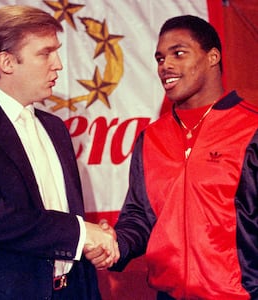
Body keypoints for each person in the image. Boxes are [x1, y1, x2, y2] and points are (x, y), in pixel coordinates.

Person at [86, 15, 258, 299]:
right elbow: (140, 217)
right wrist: (114, 243)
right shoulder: (151, 138)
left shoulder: (250, 129)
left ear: (213, 56)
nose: (165, 65)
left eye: (178, 53)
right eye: (159, 58)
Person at [0, 5, 119, 300]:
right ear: (6, 62)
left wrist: (90, 243)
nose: (58, 64)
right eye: (45, 53)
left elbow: (67, 217)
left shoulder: (55, 127)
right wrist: (81, 232)